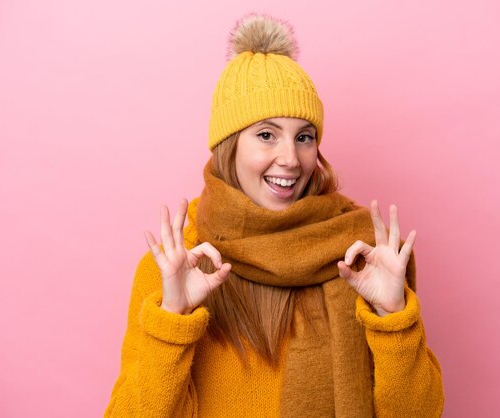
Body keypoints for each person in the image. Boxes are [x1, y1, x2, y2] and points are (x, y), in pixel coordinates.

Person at [105, 13, 444, 418]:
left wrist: (393, 317)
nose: (291, 159)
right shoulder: (178, 264)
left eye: (304, 137)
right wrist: (172, 319)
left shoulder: (362, 257)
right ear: (229, 146)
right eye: (266, 135)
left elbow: (420, 414)